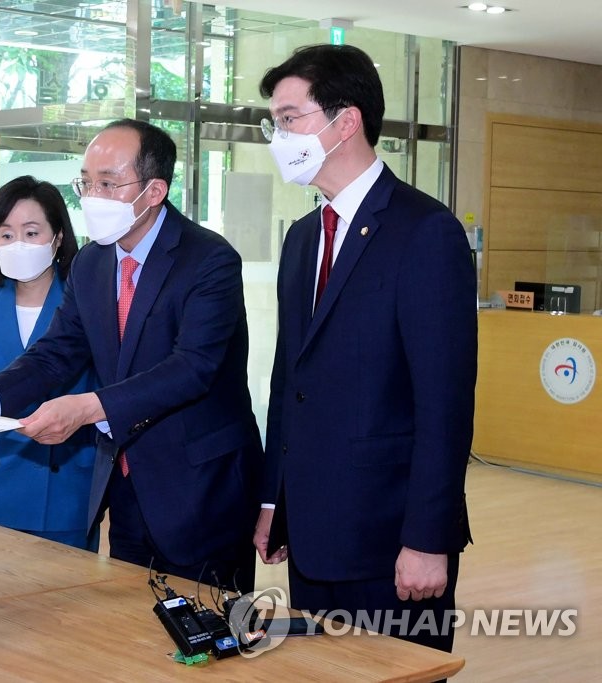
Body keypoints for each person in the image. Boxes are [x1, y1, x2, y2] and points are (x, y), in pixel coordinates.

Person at [0, 119, 263, 592]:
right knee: (130, 632)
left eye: (108, 183)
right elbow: (56, 354)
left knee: (209, 644)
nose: (92, 196)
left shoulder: (208, 259)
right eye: (86, 182)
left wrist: (89, 407)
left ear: (153, 191)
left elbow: (192, 368)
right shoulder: (92, 263)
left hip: (200, 486)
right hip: (127, 486)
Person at [253, 44, 477, 654]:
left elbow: (445, 403)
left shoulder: (426, 232)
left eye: (290, 118)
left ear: (344, 121)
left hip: (390, 538)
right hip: (313, 531)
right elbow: (288, 383)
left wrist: (428, 537)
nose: (279, 135)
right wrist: (274, 499)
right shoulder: (303, 238)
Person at [0, 175, 99, 551]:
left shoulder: (87, 298)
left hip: (66, 482)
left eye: (32, 232)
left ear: (58, 237)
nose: (18, 244)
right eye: (6, 234)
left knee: (66, 602)